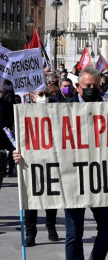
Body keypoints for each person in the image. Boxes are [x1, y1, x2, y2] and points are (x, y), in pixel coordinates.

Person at [17, 68, 108, 259]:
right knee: (74, 234)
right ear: (78, 87)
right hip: (73, 179)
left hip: (102, 179)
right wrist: (21, 153)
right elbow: (39, 137)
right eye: (87, 86)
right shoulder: (61, 108)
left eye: (95, 86)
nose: (91, 89)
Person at [24, 87, 59, 247]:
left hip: (51, 158)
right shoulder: (23, 113)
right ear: (32, 97)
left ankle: (51, 226)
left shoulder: (55, 112)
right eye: (40, 95)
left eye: (45, 94)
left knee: (51, 197)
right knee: (31, 200)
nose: (44, 98)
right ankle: (30, 233)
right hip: (31, 161)